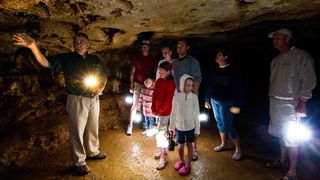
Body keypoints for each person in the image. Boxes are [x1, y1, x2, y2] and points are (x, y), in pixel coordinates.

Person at [12, 32, 108, 175]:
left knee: (92, 127)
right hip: (77, 99)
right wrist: (33, 47)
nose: (78, 44)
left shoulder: (95, 59)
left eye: (82, 41)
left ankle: (93, 151)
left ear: (88, 44)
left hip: (94, 99)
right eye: (76, 41)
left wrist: (100, 89)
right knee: (77, 131)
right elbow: (46, 63)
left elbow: (103, 75)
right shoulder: (66, 58)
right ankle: (79, 161)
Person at [266, 28, 316, 180]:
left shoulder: (301, 56)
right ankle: (282, 161)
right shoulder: (276, 59)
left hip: (291, 105)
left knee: (292, 138)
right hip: (274, 101)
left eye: (278, 38)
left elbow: (308, 81)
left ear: (287, 39)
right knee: (280, 134)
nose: (274, 40)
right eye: (274, 38)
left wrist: (303, 102)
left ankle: (293, 172)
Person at [204, 47, 244, 160]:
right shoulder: (214, 69)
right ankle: (224, 144)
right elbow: (209, 84)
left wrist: (237, 104)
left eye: (220, 54)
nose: (217, 55)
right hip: (214, 100)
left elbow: (239, 89)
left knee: (228, 125)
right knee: (219, 122)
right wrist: (207, 98)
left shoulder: (232, 71)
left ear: (226, 57)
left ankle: (238, 149)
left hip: (227, 102)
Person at [172, 39, 202, 161]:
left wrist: (192, 95)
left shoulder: (193, 62)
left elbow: (198, 79)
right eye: (178, 46)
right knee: (180, 120)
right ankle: (180, 143)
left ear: (187, 47)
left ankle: (194, 149)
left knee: (193, 121)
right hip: (179, 94)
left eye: (182, 46)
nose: (179, 48)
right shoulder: (174, 63)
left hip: (190, 94)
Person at [169, 74, 200, 176]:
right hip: (180, 126)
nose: (190, 87)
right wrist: (171, 126)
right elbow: (173, 112)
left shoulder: (194, 97)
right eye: (188, 85)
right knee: (180, 146)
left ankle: (188, 164)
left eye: (191, 85)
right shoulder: (176, 97)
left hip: (191, 126)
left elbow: (196, 114)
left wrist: (197, 130)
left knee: (190, 144)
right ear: (182, 85)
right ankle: (181, 160)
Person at [127, 39, 157, 135]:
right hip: (139, 84)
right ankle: (130, 125)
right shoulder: (136, 58)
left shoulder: (152, 58)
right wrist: (131, 84)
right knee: (135, 105)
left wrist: (154, 84)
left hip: (149, 85)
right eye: (143, 46)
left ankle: (148, 125)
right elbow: (132, 72)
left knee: (148, 105)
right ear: (141, 48)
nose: (145, 48)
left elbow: (156, 72)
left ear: (149, 48)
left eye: (146, 46)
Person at [151, 61, 176, 170]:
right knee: (160, 130)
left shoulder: (171, 83)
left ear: (168, 72)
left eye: (162, 72)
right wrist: (153, 108)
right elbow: (154, 95)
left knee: (161, 132)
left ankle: (162, 157)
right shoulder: (159, 81)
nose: (159, 73)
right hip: (159, 111)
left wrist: (160, 110)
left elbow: (168, 100)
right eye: (159, 71)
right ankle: (163, 151)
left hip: (165, 111)